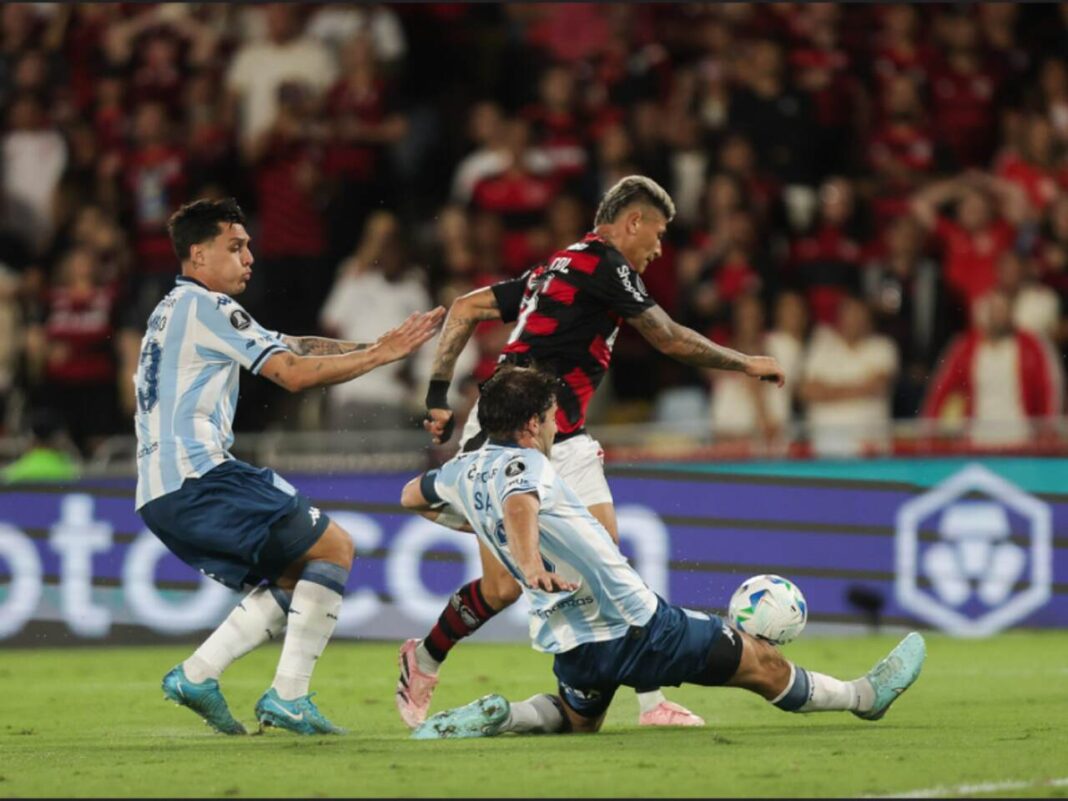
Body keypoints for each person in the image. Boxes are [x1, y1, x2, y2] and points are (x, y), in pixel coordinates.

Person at [397, 175, 786, 730]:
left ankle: (652, 705)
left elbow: (464, 307)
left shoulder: (556, 267)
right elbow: (668, 337)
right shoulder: (604, 263)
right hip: (511, 430)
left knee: (609, 564)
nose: (659, 249)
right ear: (633, 221)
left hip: (564, 435)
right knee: (502, 588)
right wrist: (745, 362)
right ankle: (426, 657)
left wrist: (438, 395)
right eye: (658, 233)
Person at [399, 366, 926, 740]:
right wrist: (530, 563)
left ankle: (505, 715)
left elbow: (410, 497)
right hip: (640, 627)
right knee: (762, 663)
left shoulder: (461, 470)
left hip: (572, 644)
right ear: (532, 423)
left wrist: (478, 525)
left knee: (580, 721)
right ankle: (864, 697)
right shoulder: (528, 464)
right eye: (553, 417)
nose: (557, 426)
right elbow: (519, 503)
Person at [134, 198, 443, 735]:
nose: (249, 257)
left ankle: (198, 674)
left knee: (298, 571)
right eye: (235, 246)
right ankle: (288, 696)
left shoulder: (175, 309)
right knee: (335, 548)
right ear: (198, 254)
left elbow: (291, 346)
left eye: (248, 246)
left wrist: (381, 345)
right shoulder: (208, 307)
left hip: (162, 489)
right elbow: (293, 373)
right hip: (199, 474)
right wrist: (381, 357)